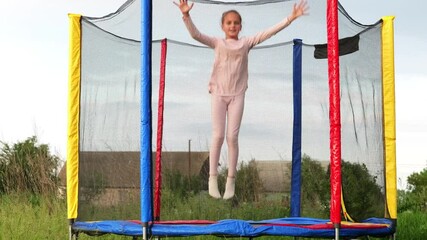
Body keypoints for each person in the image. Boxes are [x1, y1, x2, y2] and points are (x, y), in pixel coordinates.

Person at [174, 0, 309, 199]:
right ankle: (212, 179)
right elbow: (196, 34)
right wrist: (186, 15)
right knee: (218, 135)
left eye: (236, 23)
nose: (232, 26)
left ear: (240, 26)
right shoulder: (217, 43)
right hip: (219, 94)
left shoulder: (246, 43)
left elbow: (268, 32)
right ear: (222, 26)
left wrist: (290, 18)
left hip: (237, 95)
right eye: (228, 23)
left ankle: (230, 180)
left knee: (232, 138)